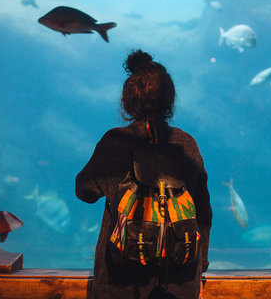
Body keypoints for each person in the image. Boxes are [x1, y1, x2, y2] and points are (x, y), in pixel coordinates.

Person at [76, 49, 212, 299]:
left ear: (127, 101)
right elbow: (203, 213)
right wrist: (200, 269)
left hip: (120, 281)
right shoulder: (187, 144)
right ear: (170, 100)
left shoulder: (115, 142)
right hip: (180, 282)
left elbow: (84, 191)